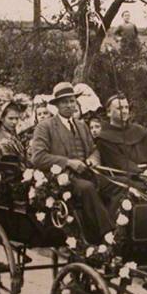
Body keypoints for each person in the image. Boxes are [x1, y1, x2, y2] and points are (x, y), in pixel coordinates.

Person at [30, 81, 112, 244]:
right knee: (87, 188)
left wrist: (92, 159)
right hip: (63, 179)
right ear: (57, 105)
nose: (69, 105)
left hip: (86, 173)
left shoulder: (82, 126)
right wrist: (68, 162)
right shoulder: (45, 127)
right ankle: (106, 235)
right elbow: (38, 157)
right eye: (64, 102)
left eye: (72, 101)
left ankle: (124, 227)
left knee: (116, 184)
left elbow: (94, 150)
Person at [95, 93, 147, 212]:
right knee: (139, 196)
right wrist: (141, 174)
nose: (125, 111)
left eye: (126, 107)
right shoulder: (104, 138)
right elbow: (118, 162)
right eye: (120, 108)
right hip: (127, 177)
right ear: (109, 112)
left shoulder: (140, 131)